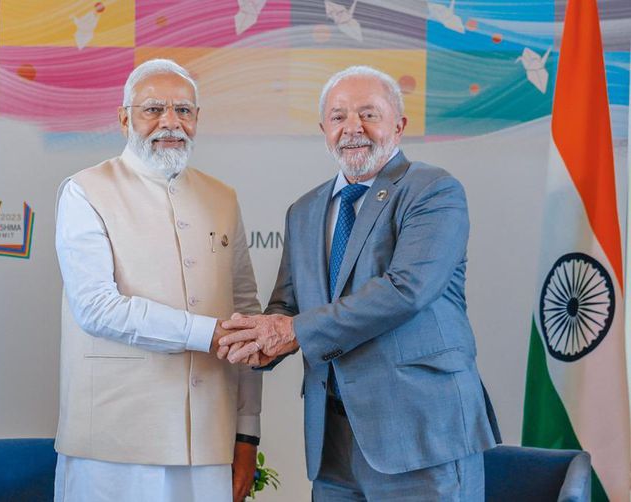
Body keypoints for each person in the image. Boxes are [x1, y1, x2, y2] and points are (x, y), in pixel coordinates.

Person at [218, 65, 500, 500]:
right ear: (323, 130)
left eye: (369, 114)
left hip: (421, 438)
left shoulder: (433, 191)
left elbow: (406, 291)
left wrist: (292, 332)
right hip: (332, 444)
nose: (353, 128)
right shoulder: (304, 210)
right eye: (338, 117)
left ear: (399, 125)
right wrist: (256, 341)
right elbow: (287, 305)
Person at [53, 59, 262, 502]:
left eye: (184, 110)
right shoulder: (85, 190)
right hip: (113, 444)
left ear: (198, 119)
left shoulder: (222, 197)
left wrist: (247, 436)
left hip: (210, 441)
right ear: (124, 117)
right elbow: (96, 307)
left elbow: (247, 317)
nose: (171, 122)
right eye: (154, 109)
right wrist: (207, 333)